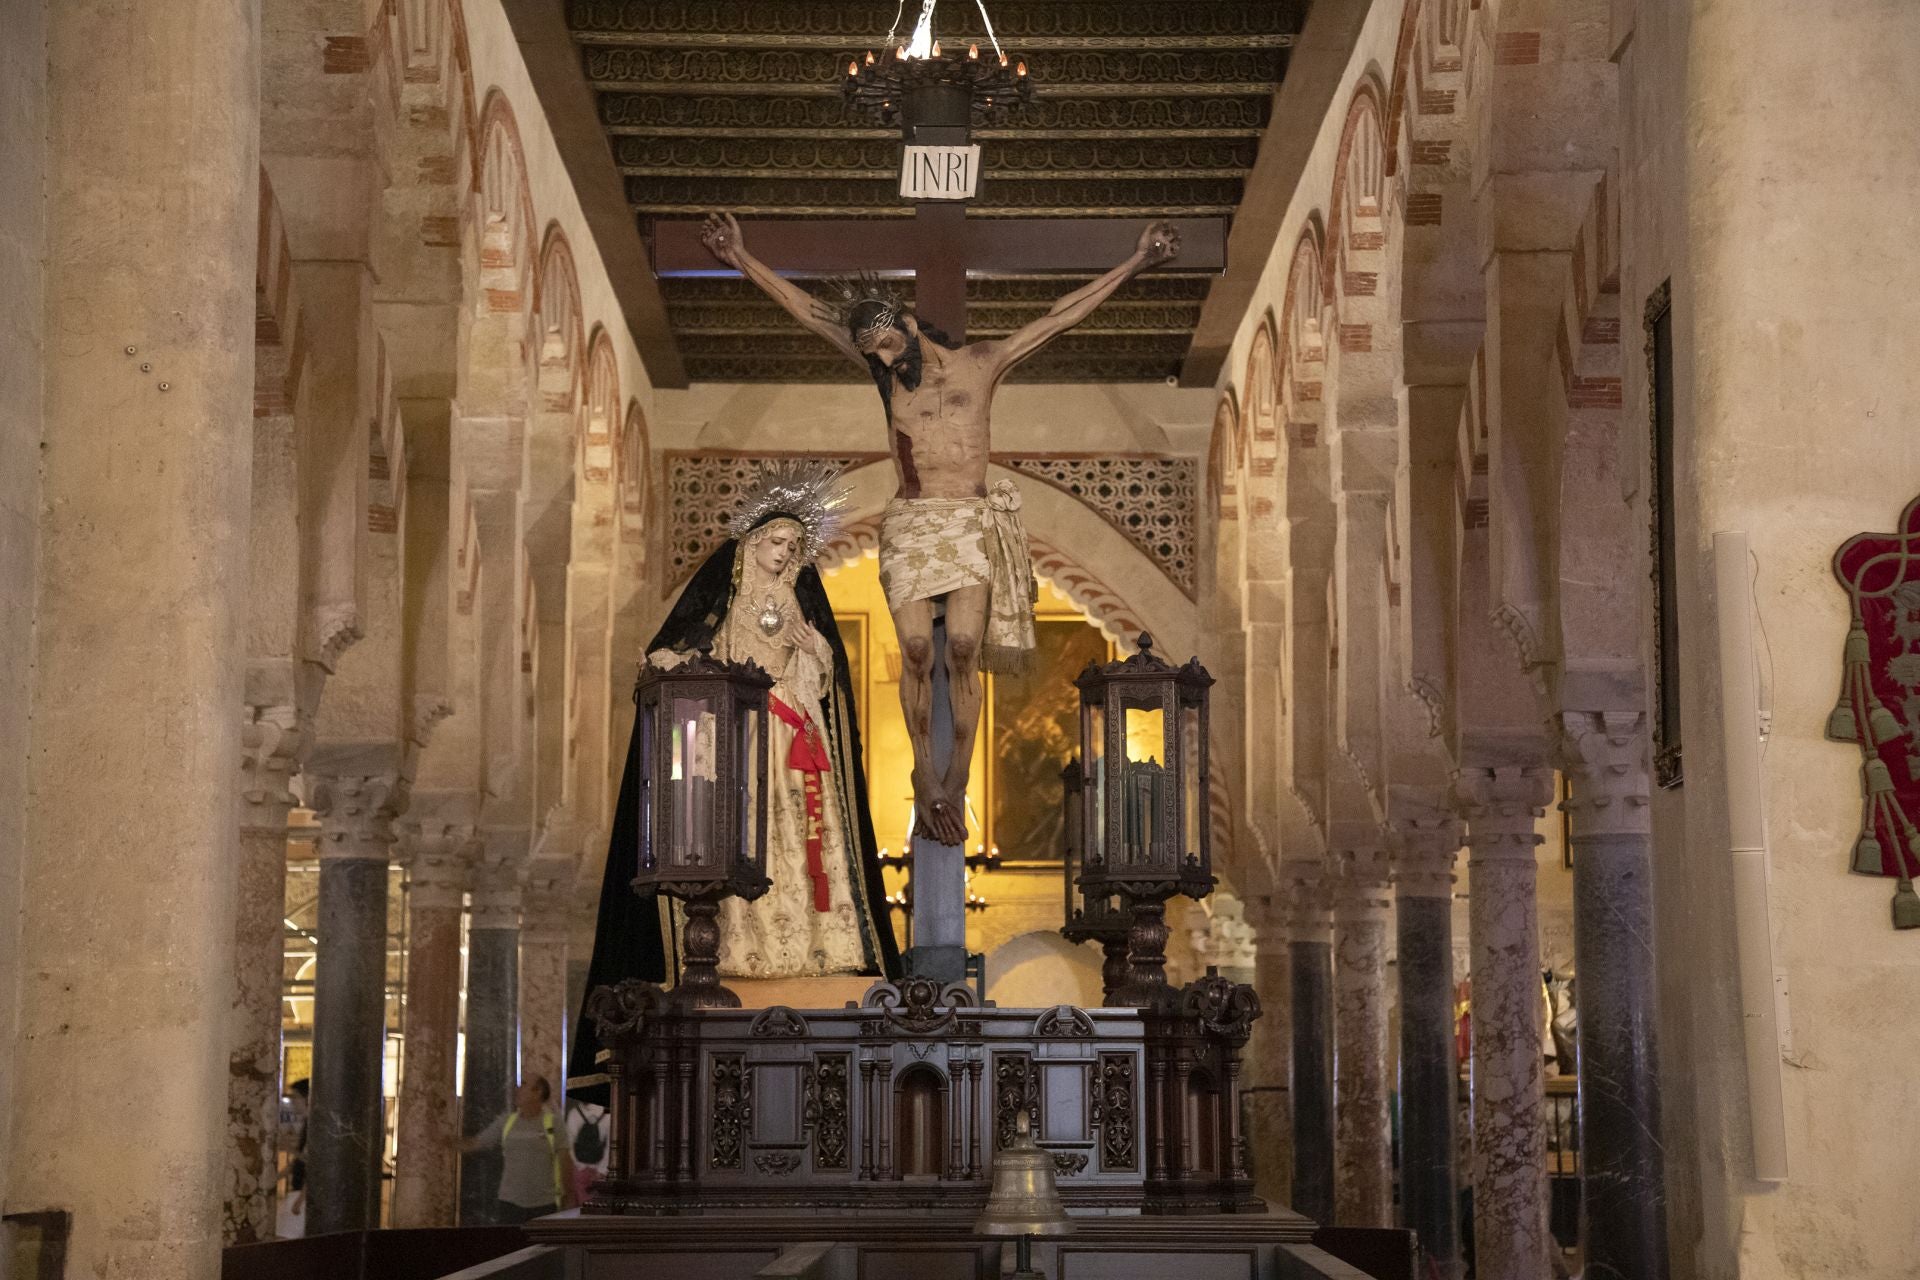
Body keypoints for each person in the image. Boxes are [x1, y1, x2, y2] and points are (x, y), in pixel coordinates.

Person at [700, 212, 1181, 846]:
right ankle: (925, 776)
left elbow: (1060, 317)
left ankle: (956, 779)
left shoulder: (981, 364)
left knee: (959, 647)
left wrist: (1137, 262)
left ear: (904, 323)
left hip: (966, 521)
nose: (882, 359)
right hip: (911, 520)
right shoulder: (884, 374)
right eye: (872, 353)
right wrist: (741, 258)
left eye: (887, 345)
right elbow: (812, 313)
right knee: (918, 652)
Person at [566, 463, 901, 1102]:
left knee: (802, 839)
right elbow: (674, 652)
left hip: (790, 736)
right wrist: (679, 662)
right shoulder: (725, 602)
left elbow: (824, 683)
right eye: (774, 543)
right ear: (748, 545)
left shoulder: (802, 607)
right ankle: (736, 948)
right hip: (738, 738)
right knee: (740, 830)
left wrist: (815, 653)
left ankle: (812, 948)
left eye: (793, 548)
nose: (783, 554)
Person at [461, 1076, 576, 1224]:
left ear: (538, 1092)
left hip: (543, 1205)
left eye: (523, 1085)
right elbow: (476, 1143)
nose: (517, 1089)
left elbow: (564, 1160)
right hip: (509, 1203)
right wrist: (447, 1141)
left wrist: (569, 1196)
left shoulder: (553, 1123)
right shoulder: (507, 1121)